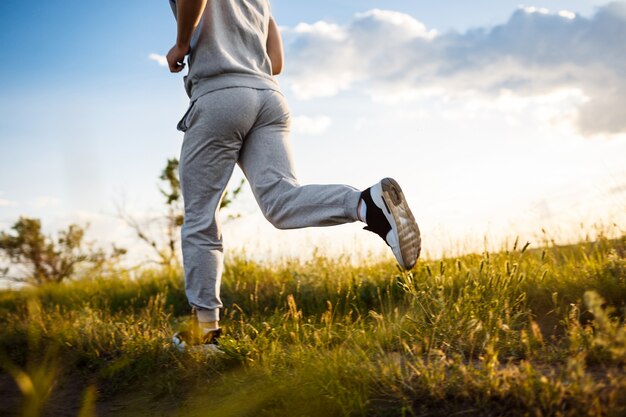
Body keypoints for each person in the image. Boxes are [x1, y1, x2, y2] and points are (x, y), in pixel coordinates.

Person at [166, 0, 421, 350]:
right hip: (269, 98)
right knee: (281, 201)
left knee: (200, 216)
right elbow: (277, 62)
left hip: (220, 95)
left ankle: (204, 332)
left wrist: (183, 44)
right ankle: (367, 204)